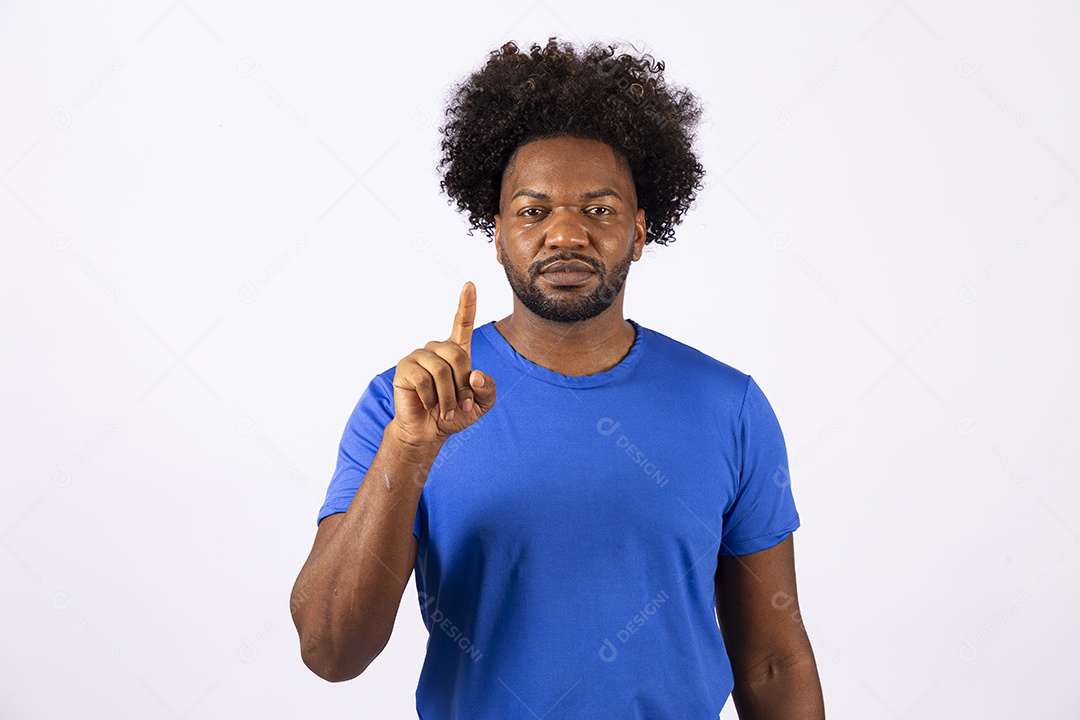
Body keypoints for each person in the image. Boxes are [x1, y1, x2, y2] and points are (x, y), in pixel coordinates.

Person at [290, 38, 826, 719]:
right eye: (534, 210)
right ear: (497, 234)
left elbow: (773, 661)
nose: (566, 234)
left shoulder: (729, 407)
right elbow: (330, 651)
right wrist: (409, 449)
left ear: (639, 232)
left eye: (598, 210)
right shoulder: (407, 405)